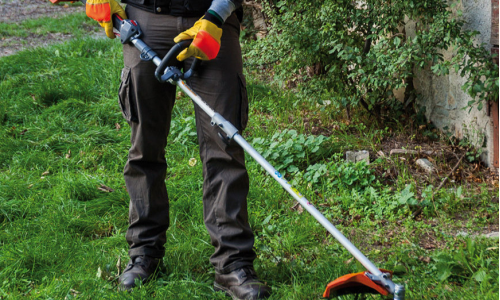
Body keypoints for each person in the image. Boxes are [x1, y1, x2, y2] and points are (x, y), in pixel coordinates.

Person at [84, 0, 271, 299]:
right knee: (145, 146)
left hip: (214, 19)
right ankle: (144, 253)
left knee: (225, 148)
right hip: (145, 18)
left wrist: (217, 14)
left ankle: (232, 264)